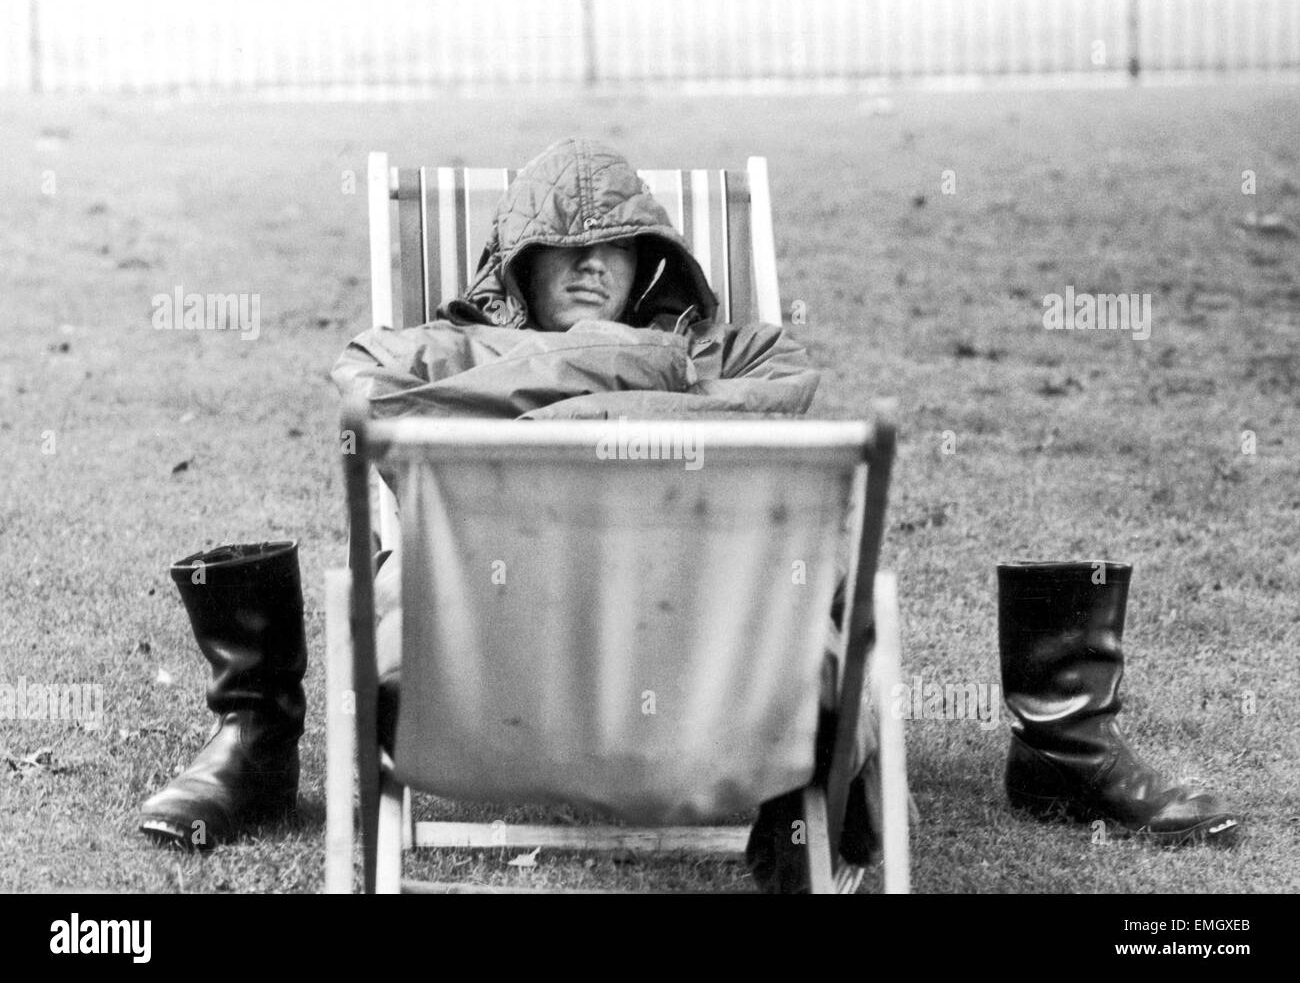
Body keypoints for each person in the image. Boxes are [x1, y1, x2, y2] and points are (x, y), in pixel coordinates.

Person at [138, 137, 1240, 887]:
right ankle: (257, 735)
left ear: (651, 254)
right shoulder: (432, 342)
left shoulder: (739, 347)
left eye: (610, 244)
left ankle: (1005, 756)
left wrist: (552, 409)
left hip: (714, 646)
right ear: (512, 263)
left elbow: (788, 394)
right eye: (559, 248)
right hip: (486, 656)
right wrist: (633, 383)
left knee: (825, 586)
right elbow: (365, 393)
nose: (585, 264)